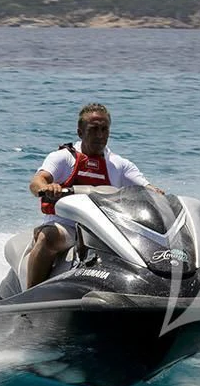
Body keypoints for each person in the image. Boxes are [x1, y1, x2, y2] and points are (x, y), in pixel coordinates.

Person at [25, 103, 163, 288]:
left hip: (105, 230)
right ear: (80, 132)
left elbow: (147, 188)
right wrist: (47, 187)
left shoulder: (120, 165)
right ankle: (31, 298)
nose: (100, 135)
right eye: (93, 129)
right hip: (67, 228)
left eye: (104, 129)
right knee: (48, 237)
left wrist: (160, 196)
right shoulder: (64, 158)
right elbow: (37, 181)